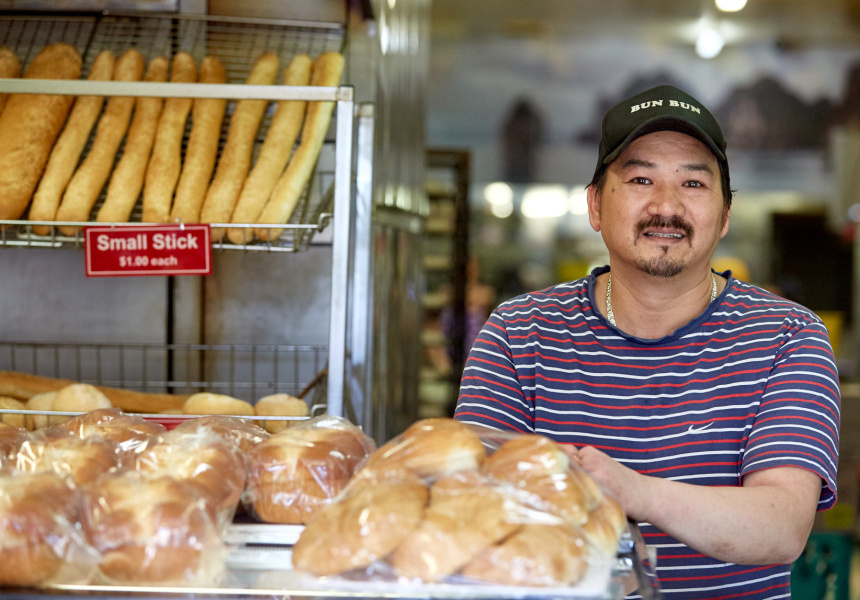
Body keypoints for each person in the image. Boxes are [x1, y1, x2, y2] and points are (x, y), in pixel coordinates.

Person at [454, 84, 840, 599]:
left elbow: (781, 527)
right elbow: (472, 507)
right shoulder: (518, 332)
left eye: (693, 183)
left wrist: (634, 493)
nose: (666, 206)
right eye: (640, 179)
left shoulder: (788, 336)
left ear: (725, 215)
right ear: (595, 205)